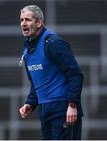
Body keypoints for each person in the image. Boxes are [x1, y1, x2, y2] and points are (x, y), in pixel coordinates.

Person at [19, 5, 84, 140]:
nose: (23, 23)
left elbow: (75, 74)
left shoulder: (53, 43)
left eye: (28, 20)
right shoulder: (28, 50)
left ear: (39, 23)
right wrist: (30, 103)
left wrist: (72, 105)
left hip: (63, 109)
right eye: (21, 20)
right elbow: (36, 83)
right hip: (45, 110)